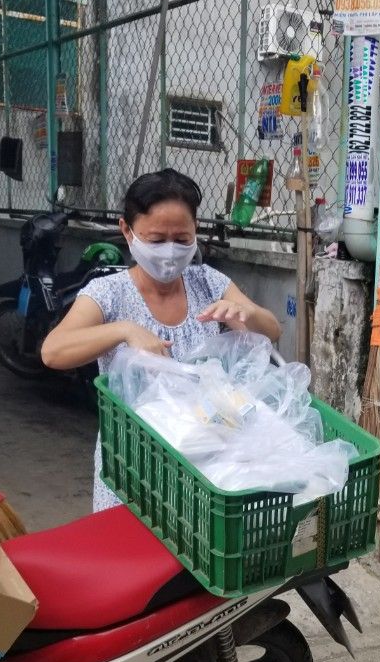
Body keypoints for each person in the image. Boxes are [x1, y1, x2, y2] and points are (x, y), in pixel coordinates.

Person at [41, 168, 281, 511]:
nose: (170, 252)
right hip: (131, 469)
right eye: (156, 240)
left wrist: (245, 314)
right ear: (127, 231)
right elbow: (53, 351)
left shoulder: (208, 283)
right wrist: (123, 330)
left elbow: (271, 331)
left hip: (202, 468)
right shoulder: (108, 293)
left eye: (182, 240)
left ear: (195, 232)